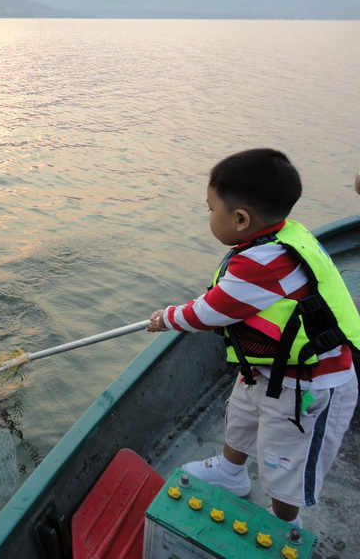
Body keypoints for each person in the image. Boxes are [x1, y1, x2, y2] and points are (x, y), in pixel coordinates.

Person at [147, 148, 360, 528]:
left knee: (284, 458)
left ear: (241, 219)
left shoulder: (262, 264)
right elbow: (226, 299)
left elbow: (209, 313)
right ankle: (231, 471)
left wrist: (166, 319)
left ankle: (284, 521)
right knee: (242, 417)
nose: (208, 216)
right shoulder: (278, 236)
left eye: (210, 209)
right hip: (269, 370)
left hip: (308, 386)